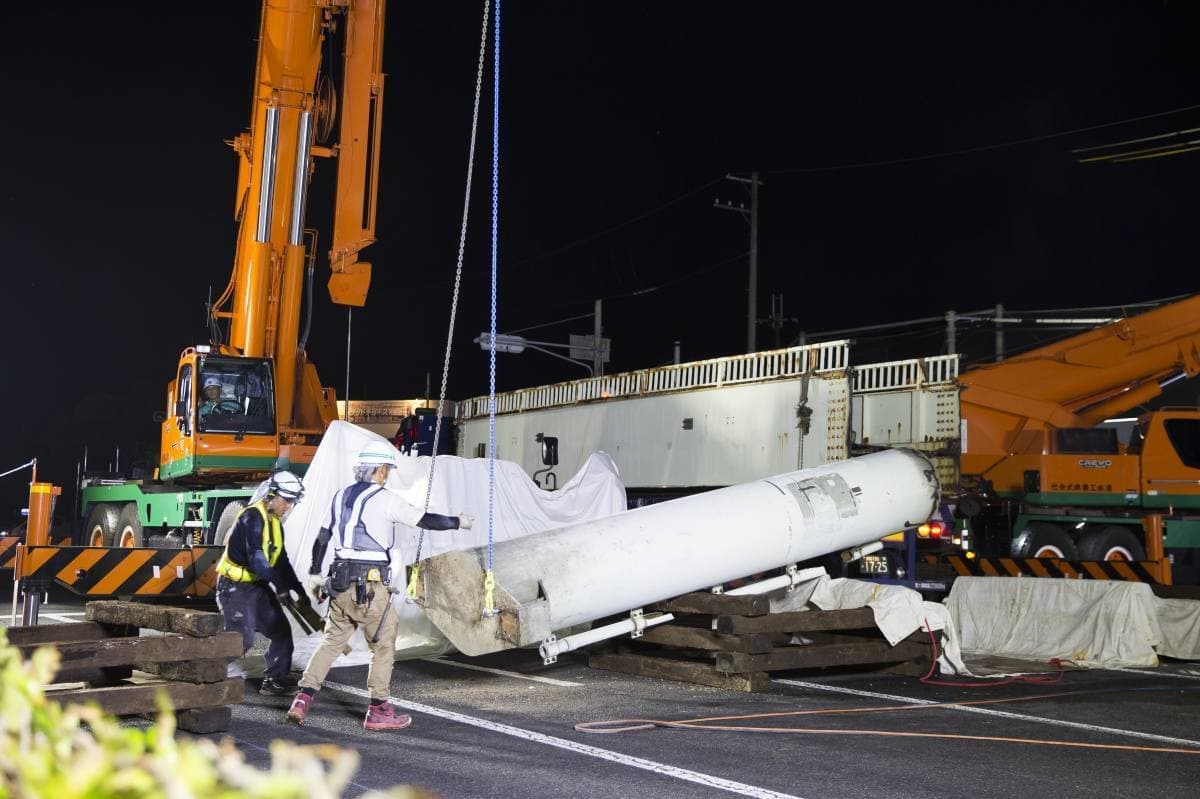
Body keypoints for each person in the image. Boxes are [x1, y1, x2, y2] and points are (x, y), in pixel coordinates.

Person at [286, 446, 473, 730]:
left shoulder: (340, 497)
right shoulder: (385, 500)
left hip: (338, 583)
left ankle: (302, 699)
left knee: (331, 643)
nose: (387, 474)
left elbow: (322, 537)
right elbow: (424, 519)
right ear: (379, 470)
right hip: (370, 588)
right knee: (383, 646)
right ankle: (378, 709)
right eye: (386, 469)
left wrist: (314, 572)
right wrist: (458, 522)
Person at [215, 470, 307, 696]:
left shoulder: (275, 523)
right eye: (287, 501)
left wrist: (297, 588)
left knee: (281, 631)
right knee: (242, 639)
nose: (289, 507)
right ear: (272, 495)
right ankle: (207, 671)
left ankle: (274, 681)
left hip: (256, 586)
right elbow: (258, 562)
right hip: (234, 587)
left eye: (292, 502)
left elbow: (281, 561)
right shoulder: (251, 518)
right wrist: (281, 587)